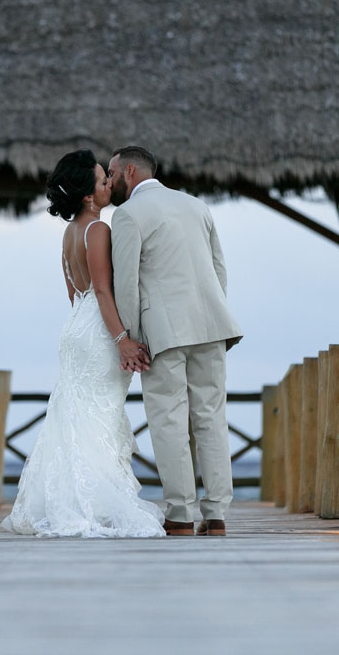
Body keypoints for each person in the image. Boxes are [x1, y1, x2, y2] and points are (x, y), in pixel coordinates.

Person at [1, 149, 164, 538]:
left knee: (77, 413)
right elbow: (104, 293)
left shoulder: (69, 232)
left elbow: (75, 294)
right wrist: (123, 340)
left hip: (75, 328)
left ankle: (71, 498)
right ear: (89, 196)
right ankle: (94, 502)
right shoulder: (98, 230)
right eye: (102, 180)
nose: (110, 184)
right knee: (100, 416)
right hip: (99, 330)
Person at [108, 145, 242, 536]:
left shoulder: (128, 214)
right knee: (211, 417)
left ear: (130, 171)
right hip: (211, 324)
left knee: (168, 419)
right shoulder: (197, 206)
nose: (110, 180)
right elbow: (219, 269)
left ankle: (180, 514)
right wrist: (213, 314)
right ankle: (216, 514)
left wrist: (130, 338)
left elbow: (127, 283)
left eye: (113, 173)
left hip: (163, 332)